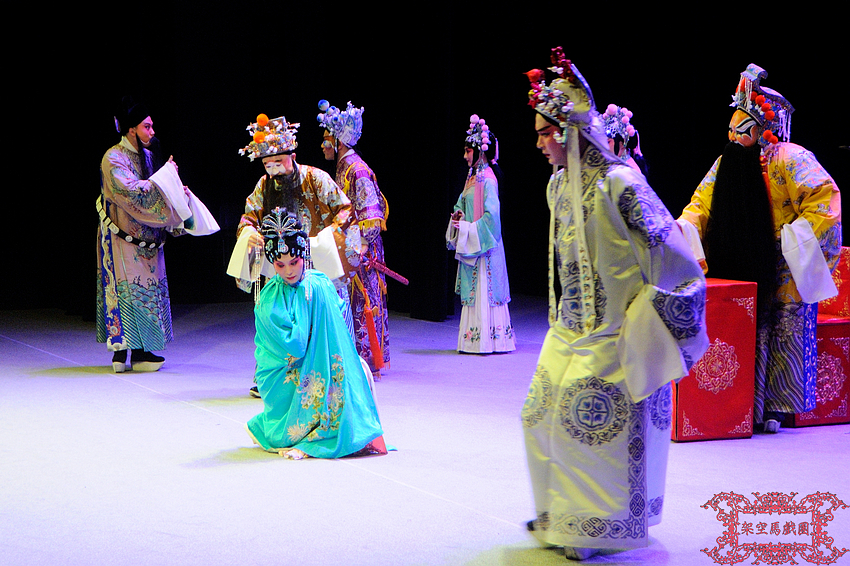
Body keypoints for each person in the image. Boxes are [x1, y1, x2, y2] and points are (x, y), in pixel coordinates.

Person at [521, 48, 709, 560]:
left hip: (612, 331)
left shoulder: (620, 182)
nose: (538, 143)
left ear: (571, 131)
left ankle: (596, 529)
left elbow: (669, 251)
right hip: (569, 328)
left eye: (545, 132)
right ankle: (561, 516)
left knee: (586, 421)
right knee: (537, 414)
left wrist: (652, 319)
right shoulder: (558, 186)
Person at [679, 63, 841, 433]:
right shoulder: (726, 162)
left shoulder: (790, 158)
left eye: (744, 130)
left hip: (784, 261)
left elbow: (824, 200)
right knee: (744, 329)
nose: (734, 137)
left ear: (763, 129)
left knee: (784, 328)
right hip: (741, 257)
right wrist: (684, 229)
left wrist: (789, 240)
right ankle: (742, 405)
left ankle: (779, 406)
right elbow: (700, 204)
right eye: (731, 130)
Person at [229, 113, 361, 397]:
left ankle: (337, 374)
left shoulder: (316, 179)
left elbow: (345, 210)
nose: (274, 169)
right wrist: (250, 233)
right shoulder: (264, 185)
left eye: (279, 161)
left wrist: (325, 240)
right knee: (276, 318)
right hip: (280, 267)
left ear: (293, 156)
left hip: (315, 264)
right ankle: (274, 377)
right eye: (267, 164)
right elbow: (248, 218)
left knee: (323, 319)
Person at [244, 207, 387, 460]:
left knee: (337, 373)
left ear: (303, 255)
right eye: (280, 265)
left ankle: (325, 427)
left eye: (294, 262)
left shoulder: (318, 284)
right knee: (285, 378)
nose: (288, 271)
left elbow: (338, 322)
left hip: (324, 360)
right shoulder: (269, 297)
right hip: (286, 364)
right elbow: (290, 346)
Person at [96, 96, 197, 373]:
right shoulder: (113, 157)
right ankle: (121, 352)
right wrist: (164, 181)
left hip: (149, 236)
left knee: (146, 291)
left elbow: (157, 189)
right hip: (121, 235)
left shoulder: (150, 156)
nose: (152, 132)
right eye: (147, 126)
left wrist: (174, 186)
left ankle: (140, 352)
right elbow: (131, 192)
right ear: (131, 129)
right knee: (124, 289)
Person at [317, 100, 390, 377]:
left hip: (361, 253)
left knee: (363, 305)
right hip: (346, 249)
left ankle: (366, 362)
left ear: (338, 142)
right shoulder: (342, 167)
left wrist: (357, 248)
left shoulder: (356, 169)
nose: (323, 145)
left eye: (326, 139)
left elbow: (371, 217)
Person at [445, 114, 515, 354]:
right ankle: (474, 340)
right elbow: (460, 205)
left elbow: (491, 220)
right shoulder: (472, 178)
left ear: (480, 152)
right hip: (474, 242)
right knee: (475, 292)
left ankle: (488, 340)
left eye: (468, 151)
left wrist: (469, 230)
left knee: (485, 291)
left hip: (486, 248)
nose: (465, 156)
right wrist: (458, 217)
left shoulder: (488, 180)